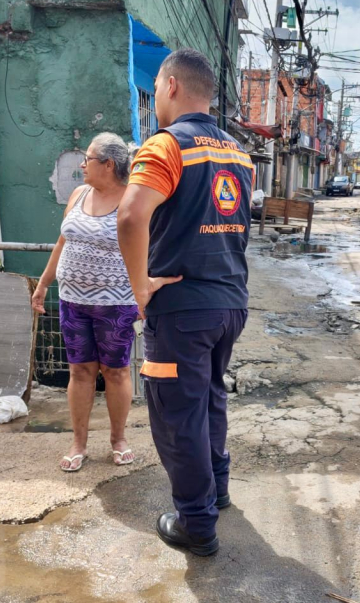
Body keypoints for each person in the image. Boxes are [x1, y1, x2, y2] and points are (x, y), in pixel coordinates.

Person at [118, 48, 252, 556]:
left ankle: (196, 524)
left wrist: (140, 286)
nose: (154, 96)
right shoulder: (239, 153)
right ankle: (215, 489)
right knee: (210, 397)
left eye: (155, 85)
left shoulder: (166, 147)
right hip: (230, 303)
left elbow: (131, 217)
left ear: (171, 86)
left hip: (182, 307)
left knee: (178, 414)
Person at [31, 133, 147, 472]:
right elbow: (62, 242)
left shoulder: (131, 200)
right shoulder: (79, 194)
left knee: (115, 371)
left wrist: (144, 295)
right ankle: (78, 442)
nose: (82, 165)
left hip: (117, 305)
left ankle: (118, 439)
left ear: (108, 165)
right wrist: (43, 284)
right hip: (72, 301)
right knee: (80, 371)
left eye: (88, 159)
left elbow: (145, 252)